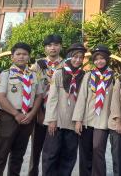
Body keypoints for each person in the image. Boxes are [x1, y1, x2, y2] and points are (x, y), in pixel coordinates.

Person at [0, 42, 45, 176]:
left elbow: (39, 95)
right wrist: (16, 114)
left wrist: (32, 114)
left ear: (29, 57)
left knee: (18, 154)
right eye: (18, 54)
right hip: (8, 117)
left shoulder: (34, 75)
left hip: (28, 117)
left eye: (25, 54)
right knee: (1, 154)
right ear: (12, 57)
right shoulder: (5, 74)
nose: (21, 57)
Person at [42, 42, 87, 176]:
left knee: (68, 156)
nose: (78, 60)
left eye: (80, 57)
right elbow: (52, 98)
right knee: (51, 154)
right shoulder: (59, 73)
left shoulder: (84, 75)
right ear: (69, 57)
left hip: (73, 123)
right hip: (57, 121)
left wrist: (79, 120)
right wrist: (51, 119)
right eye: (75, 57)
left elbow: (83, 99)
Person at [72, 44, 115, 176]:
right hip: (87, 119)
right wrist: (78, 120)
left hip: (103, 120)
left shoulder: (113, 77)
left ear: (107, 59)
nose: (99, 61)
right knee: (85, 151)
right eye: (96, 59)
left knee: (98, 149)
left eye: (102, 58)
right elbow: (82, 98)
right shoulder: (89, 76)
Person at [29, 33, 64, 176]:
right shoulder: (38, 65)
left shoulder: (66, 65)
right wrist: (37, 112)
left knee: (54, 149)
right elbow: (32, 89)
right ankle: (33, 173)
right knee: (36, 148)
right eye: (49, 45)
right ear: (45, 48)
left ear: (61, 47)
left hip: (57, 112)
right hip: (40, 110)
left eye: (56, 45)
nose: (53, 48)